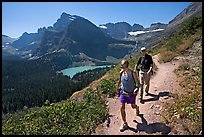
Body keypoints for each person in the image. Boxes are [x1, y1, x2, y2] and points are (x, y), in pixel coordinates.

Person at [116, 59, 140, 132]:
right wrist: (117, 88)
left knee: (133, 106)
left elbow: (138, 84)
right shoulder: (121, 73)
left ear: (127, 66)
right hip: (123, 92)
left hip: (131, 93)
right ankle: (124, 123)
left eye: (124, 67)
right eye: (122, 67)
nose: (122, 68)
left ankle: (137, 107)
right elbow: (119, 81)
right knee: (121, 107)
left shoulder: (133, 73)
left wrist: (136, 89)